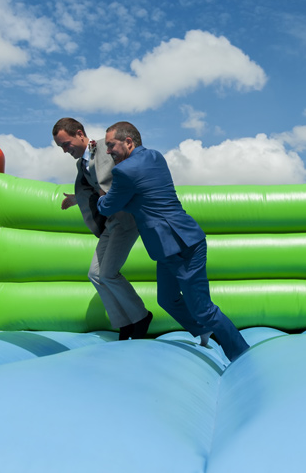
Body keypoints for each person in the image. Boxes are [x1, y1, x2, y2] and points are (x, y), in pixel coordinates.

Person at [97, 121, 250, 362]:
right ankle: (202, 330)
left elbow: (108, 207)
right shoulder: (155, 157)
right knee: (166, 299)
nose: (107, 151)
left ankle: (242, 354)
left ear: (129, 142)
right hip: (169, 246)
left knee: (203, 309)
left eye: (111, 145)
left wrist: (98, 198)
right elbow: (142, 197)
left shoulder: (123, 172)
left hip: (181, 246)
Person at [52, 117, 152, 339]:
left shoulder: (107, 148)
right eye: (61, 147)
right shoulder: (82, 164)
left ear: (80, 134)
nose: (65, 150)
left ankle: (141, 317)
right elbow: (93, 187)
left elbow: (127, 170)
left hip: (126, 218)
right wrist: (76, 198)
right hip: (110, 222)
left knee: (108, 273)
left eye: (66, 144)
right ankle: (124, 323)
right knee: (95, 274)